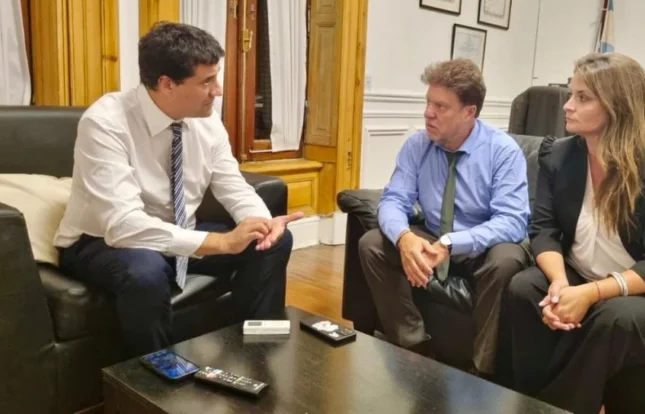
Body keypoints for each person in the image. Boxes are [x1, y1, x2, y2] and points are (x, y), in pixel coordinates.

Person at [54, 22, 302, 356]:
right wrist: (221, 242)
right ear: (167, 84)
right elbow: (123, 225)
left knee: (272, 242)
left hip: (176, 232)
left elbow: (232, 185)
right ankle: (157, 374)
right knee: (145, 271)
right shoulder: (105, 122)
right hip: (101, 240)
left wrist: (261, 222)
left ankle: (256, 350)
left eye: (216, 77)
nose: (218, 90)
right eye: (206, 81)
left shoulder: (207, 120)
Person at [500, 53, 645, 414]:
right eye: (571, 93)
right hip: (582, 273)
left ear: (618, 105)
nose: (567, 105)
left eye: (583, 97)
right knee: (525, 289)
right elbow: (544, 229)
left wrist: (590, 293)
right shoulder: (558, 155)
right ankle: (539, 403)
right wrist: (560, 284)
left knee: (613, 317)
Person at [359, 58, 531, 377]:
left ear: (469, 112)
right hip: (434, 237)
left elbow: (512, 221)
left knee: (506, 261)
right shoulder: (418, 145)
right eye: (428, 102)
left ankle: (482, 370)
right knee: (372, 244)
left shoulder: (502, 151)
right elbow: (393, 199)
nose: (428, 113)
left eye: (441, 106)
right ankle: (413, 347)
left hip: (482, 245)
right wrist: (405, 238)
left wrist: (453, 243)